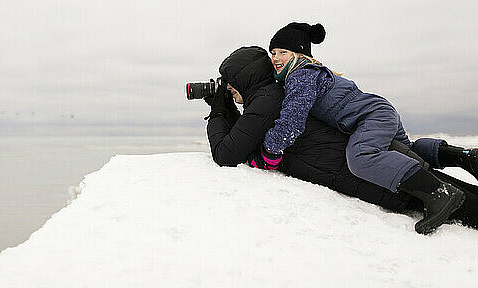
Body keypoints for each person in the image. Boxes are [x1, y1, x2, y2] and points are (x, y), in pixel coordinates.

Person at [205, 45, 478, 232]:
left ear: (245, 78)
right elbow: (244, 135)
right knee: (460, 196)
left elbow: (226, 153)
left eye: (230, 82)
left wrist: (218, 110)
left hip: (380, 179)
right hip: (390, 164)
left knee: (464, 206)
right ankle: (463, 158)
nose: (227, 88)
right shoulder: (270, 98)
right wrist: (224, 108)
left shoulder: (266, 102)